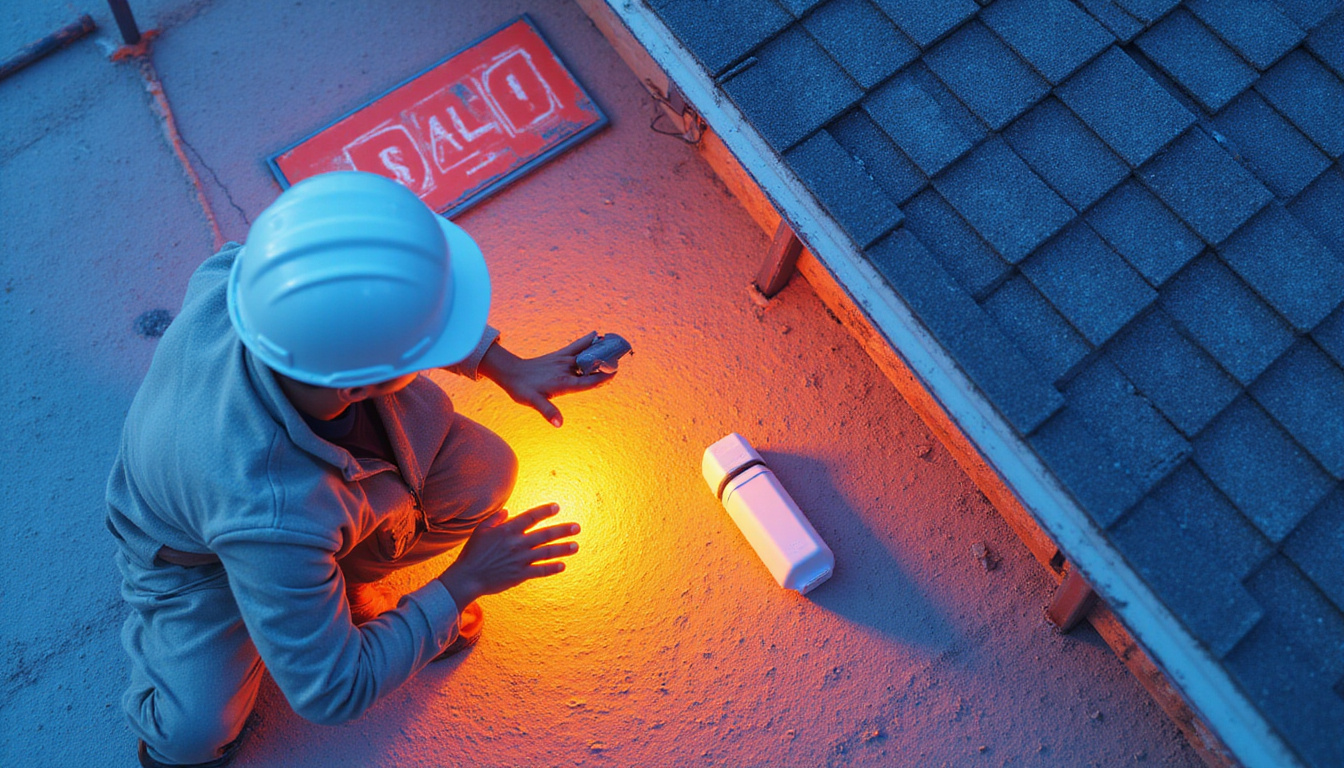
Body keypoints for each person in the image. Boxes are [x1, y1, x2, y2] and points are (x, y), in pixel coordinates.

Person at [105, 171, 614, 768]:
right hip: (201, 556)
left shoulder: (248, 278)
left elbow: (369, 306)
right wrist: (464, 583)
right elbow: (331, 691)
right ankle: (213, 676)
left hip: (264, 507)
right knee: (196, 731)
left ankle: (320, 583)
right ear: (356, 383)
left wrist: (507, 365)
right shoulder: (272, 503)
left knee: (484, 472)